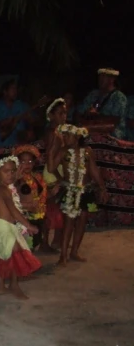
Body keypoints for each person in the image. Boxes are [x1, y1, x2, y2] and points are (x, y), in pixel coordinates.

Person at [50, 125, 109, 266]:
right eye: (64, 135)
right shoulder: (63, 151)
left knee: (82, 220)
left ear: (77, 137)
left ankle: (74, 251)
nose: (65, 137)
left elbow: (93, 170)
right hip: (70, 190)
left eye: (68, 135)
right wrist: (53, 148)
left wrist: (102, 187)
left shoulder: (88, 152)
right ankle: (63, 255)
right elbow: (51, 168)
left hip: (86, 190)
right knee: (68, 223)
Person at [0, 155, 41, 300]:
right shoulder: (2, 190)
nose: (10, 175)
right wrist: (28, 225)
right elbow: (13, 211)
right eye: (6, 172)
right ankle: (14, 284)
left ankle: (0, 286)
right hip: (3, 226)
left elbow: (13, 179)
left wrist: (18, 174)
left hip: (8, 226)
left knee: (5, 254)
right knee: (14, 253)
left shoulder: (6, 187)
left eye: (12, 171)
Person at [42, 98, 68, 251]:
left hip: (56, 171)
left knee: (54, 209)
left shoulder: (58, 132)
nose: (63, 116)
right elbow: (50, 161)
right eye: (60, 113)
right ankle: (48, 243)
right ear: (51, 115)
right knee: (52, 209)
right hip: (53, 173)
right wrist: (60, 179)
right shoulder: (54, 134)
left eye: (65, 113)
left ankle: (52, 242)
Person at [77, 68, 129, 139]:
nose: (100, 80)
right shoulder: (93, 94)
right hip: (92, 132)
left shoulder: (119, 97)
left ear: (112, 79)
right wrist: (86, 114)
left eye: (104, 77)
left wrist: (96, 115)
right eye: (100, 77)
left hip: (113, 136)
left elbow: (114, 120)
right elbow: (78, 113)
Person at [13, 144, 47, 251]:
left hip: (37, 214)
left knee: (33, 244)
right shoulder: (15, 178)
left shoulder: (37, 177)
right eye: (23, 162)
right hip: (23, 216)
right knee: (25, 245)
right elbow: (9, 194)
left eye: (30, 162)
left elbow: (42, 194)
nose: (27, 165)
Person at [0, 81, 33, 149]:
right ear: (5, 91)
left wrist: (29, 120)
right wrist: (2, 123)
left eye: (16, 89)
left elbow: (34, 121)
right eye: (12, 89)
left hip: (18, 147)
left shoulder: (22, 106)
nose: (15, 92)